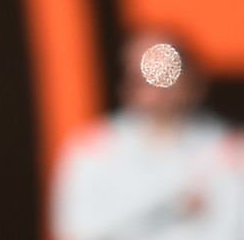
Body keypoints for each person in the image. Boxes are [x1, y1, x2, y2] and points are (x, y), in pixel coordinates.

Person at [51, 29, 244, 240]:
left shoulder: (232, 151)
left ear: (192, 78)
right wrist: (171, 207)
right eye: (142, 71)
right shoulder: (92, 147)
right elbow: (76, 230)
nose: (152, 82)